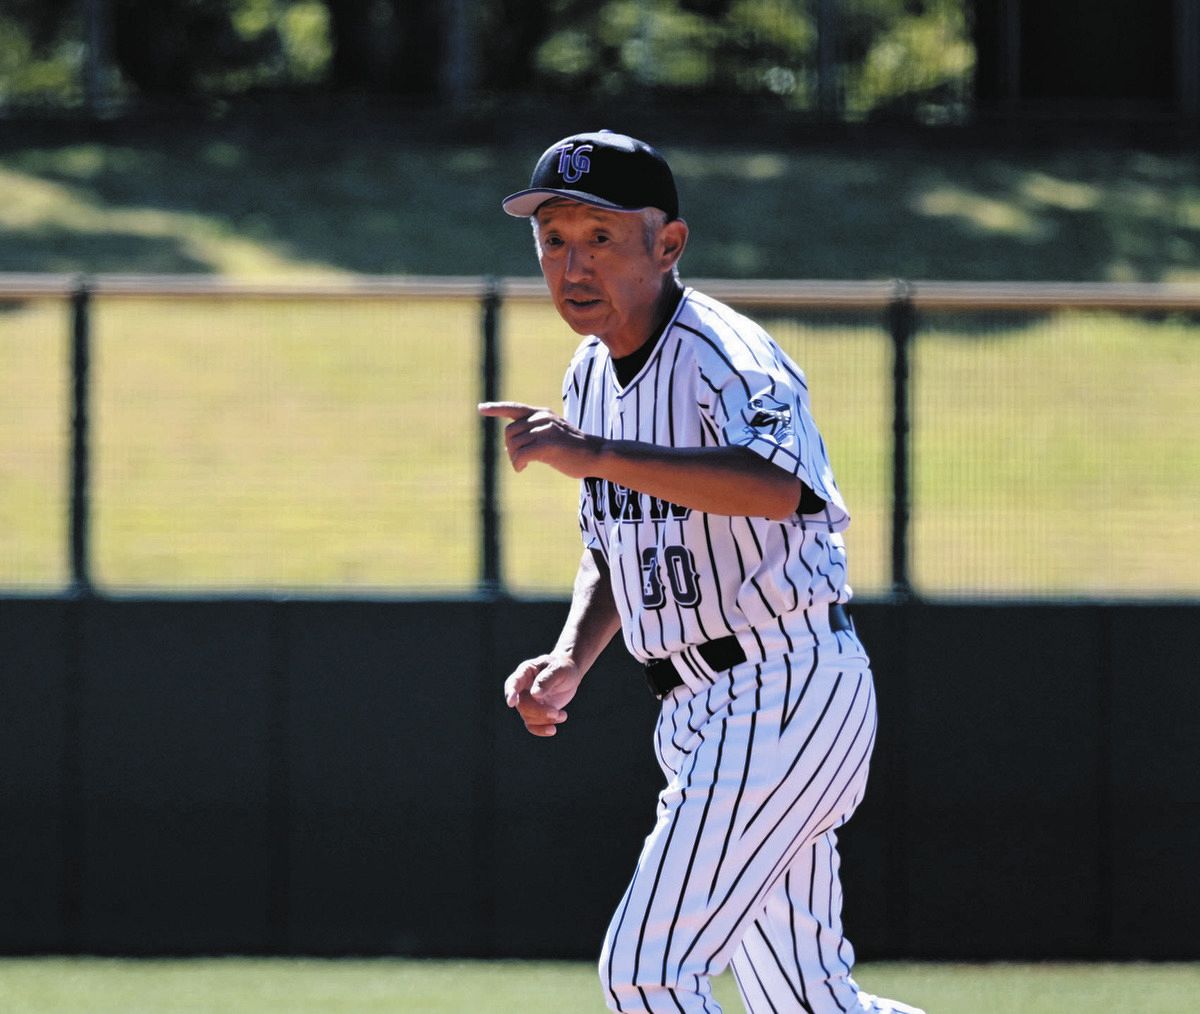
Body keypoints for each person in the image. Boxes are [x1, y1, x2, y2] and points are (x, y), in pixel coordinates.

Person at [479, 130, 924, 1014]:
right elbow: (616, 542)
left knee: (645, 973)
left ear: (668, 243)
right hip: (698, 708)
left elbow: (784, 487)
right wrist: (572, 657)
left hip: (783, 686)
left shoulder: (725, 353)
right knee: (807, 1006)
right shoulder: (589, 374)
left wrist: (594, 450)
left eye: (601, 237)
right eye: (554, 238)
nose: (573, 262)